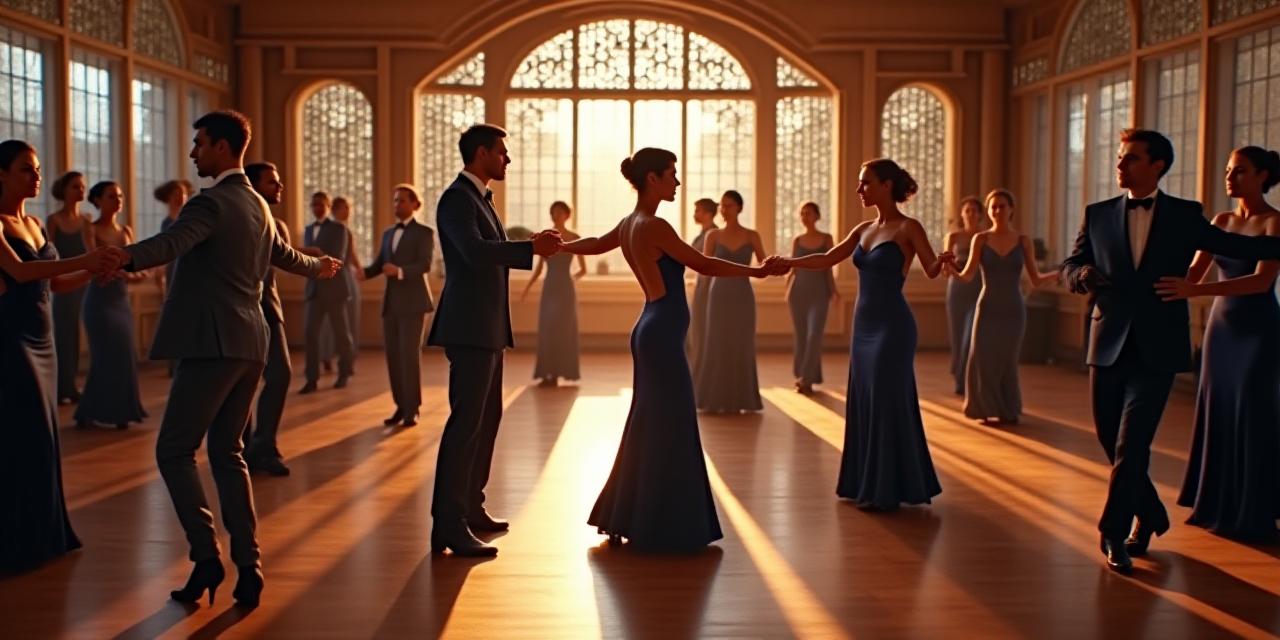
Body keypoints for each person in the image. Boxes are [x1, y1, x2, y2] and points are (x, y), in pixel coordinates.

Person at [94, 110, 340, 606]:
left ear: (224, 148)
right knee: (229, 454)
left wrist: (123, 256)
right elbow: (288, 258)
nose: (193, 153)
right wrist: (320, 266)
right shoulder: (259, 205)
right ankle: (249, 568)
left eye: (199, 144)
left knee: (173, 450)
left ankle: (207, 558)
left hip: (213, 345)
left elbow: (172, 243)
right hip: (253, 344)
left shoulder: (210, 203)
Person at [1061, 129, 1280, 573]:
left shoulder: (1186, 215)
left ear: (1158, 164)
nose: (1120, 166)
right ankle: (1152, 513)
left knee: (1132, 444)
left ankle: (1113, 533)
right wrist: (1082, 276)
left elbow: (1240, 248)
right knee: (1110, 440)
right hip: (1107, 342)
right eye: (1120, 159)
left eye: (1131, 159)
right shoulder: (1097, 213)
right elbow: (1070, 265)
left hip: (1159, 346)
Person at [559, 148, 783, 550]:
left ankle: (634, 515)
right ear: (652, 180)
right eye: (671, 174)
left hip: (649, 325)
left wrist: (560, 245)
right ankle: (667, 523)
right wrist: (757, 271)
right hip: (661, 331)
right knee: (672, 425)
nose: (677, 182)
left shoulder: (630, 223)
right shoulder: (655, 226)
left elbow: (593, 245)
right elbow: (705, 264)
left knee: (650, 423)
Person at [771, 159, 950, 510]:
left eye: (865, 183)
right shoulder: (863, 230)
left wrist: (946, 261)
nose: (859, 190)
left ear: (886, 185)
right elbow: (826, 258)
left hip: (893, 327)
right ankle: (865, 482)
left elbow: (930, 270)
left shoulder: (908, 227)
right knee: (865, 401)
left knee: (885, 400)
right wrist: (790, 263)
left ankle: (887, 489)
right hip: (863, 325)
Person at [426, 124, 560, 557]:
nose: (507, 159)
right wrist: (530, 247)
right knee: (465, 425)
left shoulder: (478, 198)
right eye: (502, 152)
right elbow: (473, 251)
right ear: (481, 153)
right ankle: (448, 524)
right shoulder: (455, 199)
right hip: (468, 328)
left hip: (485, 328)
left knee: (486, 422)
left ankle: (471, 508)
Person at [1157, 146, 1280, 541]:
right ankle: (1215, 503)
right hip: (1220, 332)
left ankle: (1252, 510)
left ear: (1262, 176)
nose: (1230, 177)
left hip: (1258, 330)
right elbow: (1189, 270)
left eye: (1240, 171)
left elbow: (1261, 282)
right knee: (1219, 410)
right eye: (1228, 170)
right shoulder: (1221, 220)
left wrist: (1197, 289)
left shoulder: (1274, 223)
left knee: (1252, 412)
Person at [0, 139, 110, 573]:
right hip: (10, 337)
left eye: (37, 168)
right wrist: (88, 256)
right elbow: (22, 272)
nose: (36, 175)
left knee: (44, 437)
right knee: (22, 436)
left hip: (43, 338)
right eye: (26, 169)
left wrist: (95, 271)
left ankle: (45, 533)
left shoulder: (33, 223)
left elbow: (55, 283)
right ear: (2, 174)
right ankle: (16, 539)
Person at [242, 161, 329, 476]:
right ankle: (243, 447)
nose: (279, 187)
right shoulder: (239, 218)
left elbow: (283, 254)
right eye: (272, 182)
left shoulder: (277, 223)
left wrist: (312, 257)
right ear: (252, 185)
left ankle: (264, 446)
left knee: (279, 375)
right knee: (243, 381)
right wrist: (313, 261)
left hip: (270, 309)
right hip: (242, 310)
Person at [945, 190, 1058, 425]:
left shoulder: (1023, 240)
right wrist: (949, 268)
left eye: (1002, 206)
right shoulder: (981, 239)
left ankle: (1008, 409)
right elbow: (967, 276)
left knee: (1007, 359)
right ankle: (984, 408)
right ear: (988, 211)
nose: (997, 211)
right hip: (987, 307)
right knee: (983, 358)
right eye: (993, 207)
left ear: (1011, 209)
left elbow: (1035, 279)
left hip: (1013, 309)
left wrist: (1061, 272)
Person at [74, 181, 147, 430]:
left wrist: (137, 274)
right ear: (97, 200)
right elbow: (95, 264)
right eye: (111, 196)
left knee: (124, 355)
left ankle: (121, 412)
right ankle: (91, 411)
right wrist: (125, 272)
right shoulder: (91, 229)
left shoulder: (126, 231)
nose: (117, 200)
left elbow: (132, 268)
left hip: (121, 301)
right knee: (105, 357)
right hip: (99, 301)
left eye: (120, 195)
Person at [362, 184, 435, 428]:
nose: (397, 205)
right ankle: (400, 406)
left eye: (402, 200)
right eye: (395, 201)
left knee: (409, 357)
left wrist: (400, 271)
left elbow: (425, 265)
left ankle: (412, 408)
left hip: (414, 303)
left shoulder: (424, 232)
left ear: (415, 204)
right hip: (391, 304)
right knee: (393, 358)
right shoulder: (387, 234)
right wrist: (360, 273)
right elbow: (379, 265)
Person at [695, 190, 766, 413]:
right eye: (722, 206)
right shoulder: (713, 236)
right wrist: (701, 299)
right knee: (717, 343)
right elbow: (705, 269)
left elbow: (763, 265)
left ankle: (741, 400)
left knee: (741, 344)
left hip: (743, 295)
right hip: (718, 295)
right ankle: (714, 400)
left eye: (729, 206)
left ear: (739, 208)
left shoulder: (752, 235)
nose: (724, 210)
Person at [521, 200, 585, 387]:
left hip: (566, 288)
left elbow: (583, 269)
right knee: (548, 329)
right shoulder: (546, 237)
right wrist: (526, 289)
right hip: (550, 288)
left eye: (559, 212)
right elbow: (539, 269)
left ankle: (561, 372)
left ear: (567, 215)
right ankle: (549, 373)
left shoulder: (575, 237)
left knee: (564, 330)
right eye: (553, 213)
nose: (556, 216)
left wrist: (570, 281)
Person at [299, 191, 353, 393]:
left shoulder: (339, 229)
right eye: (314, 205)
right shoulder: (307, 229)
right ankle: (311, 379)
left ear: (328, 206)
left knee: (341, 334)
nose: (317, 208)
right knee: (310, 334)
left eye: (321, 205)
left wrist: (313, 252)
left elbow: (338, 257)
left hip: (334, 289)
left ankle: (344, 373)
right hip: (314, 289)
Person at [46, 171, 93, 404]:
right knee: (64, 335)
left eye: (82, 186)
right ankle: (60, 387)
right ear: (64, 190)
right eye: (76, 186)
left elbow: (92, 253)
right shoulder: (53, 220)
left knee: (76, 336)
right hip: (63, 285)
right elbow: (49, 253)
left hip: (83, 284)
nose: (81, 190)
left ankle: (72, 386)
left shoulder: (86, 220)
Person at [785, 201, 836, 394]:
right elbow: (793, 268)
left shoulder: (826, 239)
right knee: (801, 337)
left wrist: (834, 291)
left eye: (809, 213)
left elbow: (829, 268)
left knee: (814, 334)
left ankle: (806, 378)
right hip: (797, 293)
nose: (805, 217)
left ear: (817, 216)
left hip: (819, 293)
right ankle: (803, 377)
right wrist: (786, 288)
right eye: (802, 213)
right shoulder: (797, 240)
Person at [943, 196, 983, 395]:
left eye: (974, 211)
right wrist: (952, 266)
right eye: (967, 210)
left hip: (978, 288)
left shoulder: (984, 237)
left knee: (971, 336)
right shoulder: (954, 237)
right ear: (961, 214)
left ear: (980, 215)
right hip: (957, 289)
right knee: (958, 337)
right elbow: (944, 267)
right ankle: (959, 379)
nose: (970, 214)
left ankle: (970, 379)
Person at [320, 196, 363, 371]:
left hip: (344, 277)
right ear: (334, 210)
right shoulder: (332, 229)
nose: (348, 212)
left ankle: (344, 358)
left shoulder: (345, 230)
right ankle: (329, 356)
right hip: (337, 277)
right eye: (344, 208)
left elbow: (351, 254)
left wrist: (360, 271)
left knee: (347, 320)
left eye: (349, 208)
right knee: (335, 321)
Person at [686, 197, 718, 376]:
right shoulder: (701, 234)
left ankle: (705, 371)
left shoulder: (713, 234)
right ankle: (698, 370)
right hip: (700, 285)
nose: (694, 214)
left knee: (704, 327)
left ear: (708, 213)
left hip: (708, 287)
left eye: (697, 210)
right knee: (697, 327)